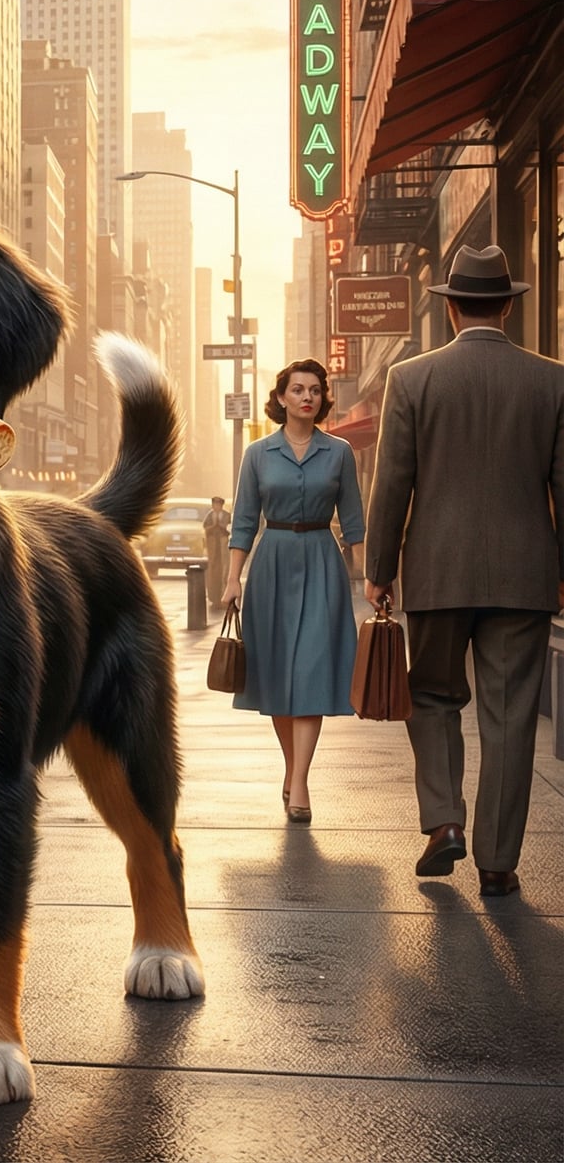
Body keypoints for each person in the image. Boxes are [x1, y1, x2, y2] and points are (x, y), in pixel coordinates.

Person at [365, 244, 564, 899]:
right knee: (509, 717)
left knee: (433, 697)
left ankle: (445, 819)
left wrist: (380, 567)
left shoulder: (412, 378)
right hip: (523, 574)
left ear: (450, 308)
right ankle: (499, 863)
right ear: (508, 304)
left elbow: (391, 482)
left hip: (437, 572)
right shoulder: (553, 380)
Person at [221, 358, 364, 825]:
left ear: (323, 399)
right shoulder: (257, 454)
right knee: (279, 675)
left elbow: (355, 522)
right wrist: (231, 579)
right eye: (298, 390)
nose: (307, 397)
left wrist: (369, 578)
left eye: (315, 391)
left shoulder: (340, 452)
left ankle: (299, 782)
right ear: (281, 398)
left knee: (312, 672)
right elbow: (243, 521)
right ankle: (292, 768)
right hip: (272, 565)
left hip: (323, 561)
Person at [202, 495, 231, 609]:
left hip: (223, 546)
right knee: (213, 572)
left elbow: (229, 529)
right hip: (213, 547)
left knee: (225, 570)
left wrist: (222, 527)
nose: (216, 506)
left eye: (218, 504)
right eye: (215, 504)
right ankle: (214, 597)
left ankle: (224, 595)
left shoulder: (227, 515)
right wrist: (213, 526)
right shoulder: (209, 516)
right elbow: (205, 528)